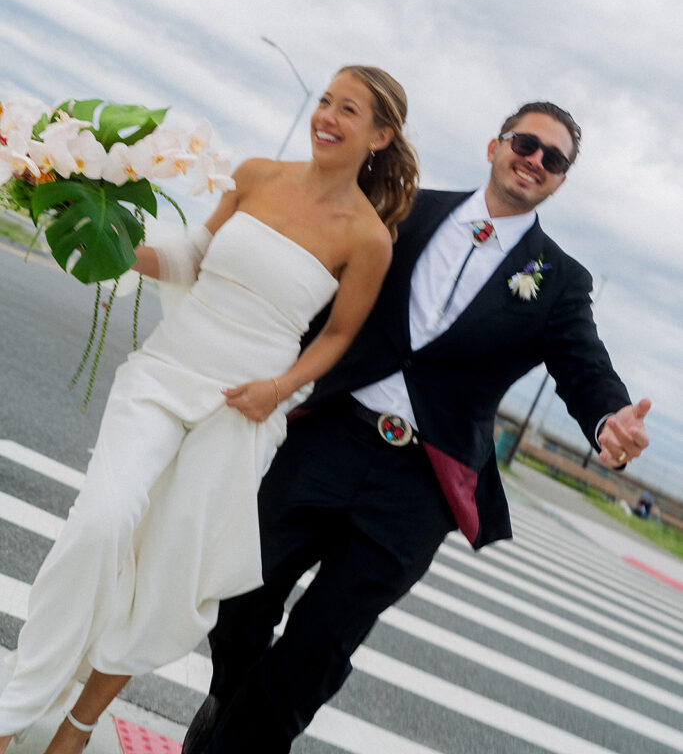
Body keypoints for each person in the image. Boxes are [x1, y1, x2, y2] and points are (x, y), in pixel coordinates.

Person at [184, 100, 652, 754]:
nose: (534, 161)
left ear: (560, 181)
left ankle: (235, 744)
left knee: (319, 646)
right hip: (329, 438)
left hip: (418, 488)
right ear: (495, 144)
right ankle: (228, 704)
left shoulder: (559, 279)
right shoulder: (402, 209)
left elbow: (582, 365)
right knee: (236, 599)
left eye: (553, 159)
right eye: (525, 143)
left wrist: (608, 420)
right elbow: (323, 281)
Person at [0, 65, 419, 754]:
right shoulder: (256, 174)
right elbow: (193, 253)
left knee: (167, 571)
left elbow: (339, 336)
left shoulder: (368, 238)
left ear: (380, 134)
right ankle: (15, 710)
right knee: (100, 527)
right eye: (324, 101)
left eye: (348, 110)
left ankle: (75, 731)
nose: (327, 117)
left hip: (243, 407)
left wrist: (278, 390)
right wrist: (111, 247)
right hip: (167, 372)